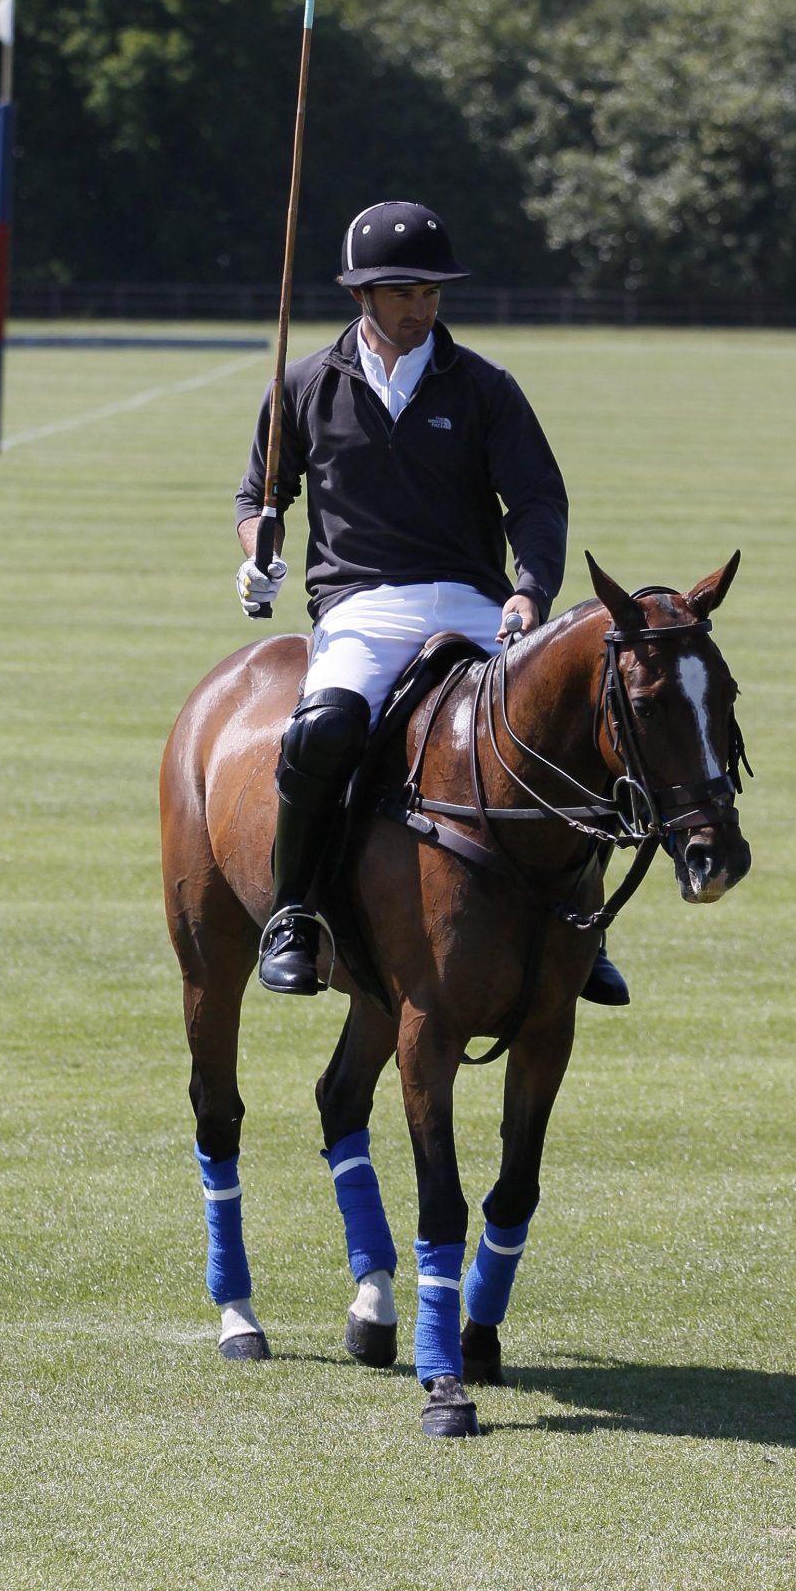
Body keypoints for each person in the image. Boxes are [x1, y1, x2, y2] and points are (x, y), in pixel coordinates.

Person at [234, 200, 629, 1006]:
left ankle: (580, 928)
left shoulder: (484, 387)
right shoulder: (305, 384)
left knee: (572, 728)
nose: (422, 308)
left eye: (432, 293)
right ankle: (294, 913)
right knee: (323, 732)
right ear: (363, 297)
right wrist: (258, 559)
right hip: (361, 606)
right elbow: (260, 498)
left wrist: (529, 589)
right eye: (405, 294)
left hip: (479, 603)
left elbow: (537, 503)